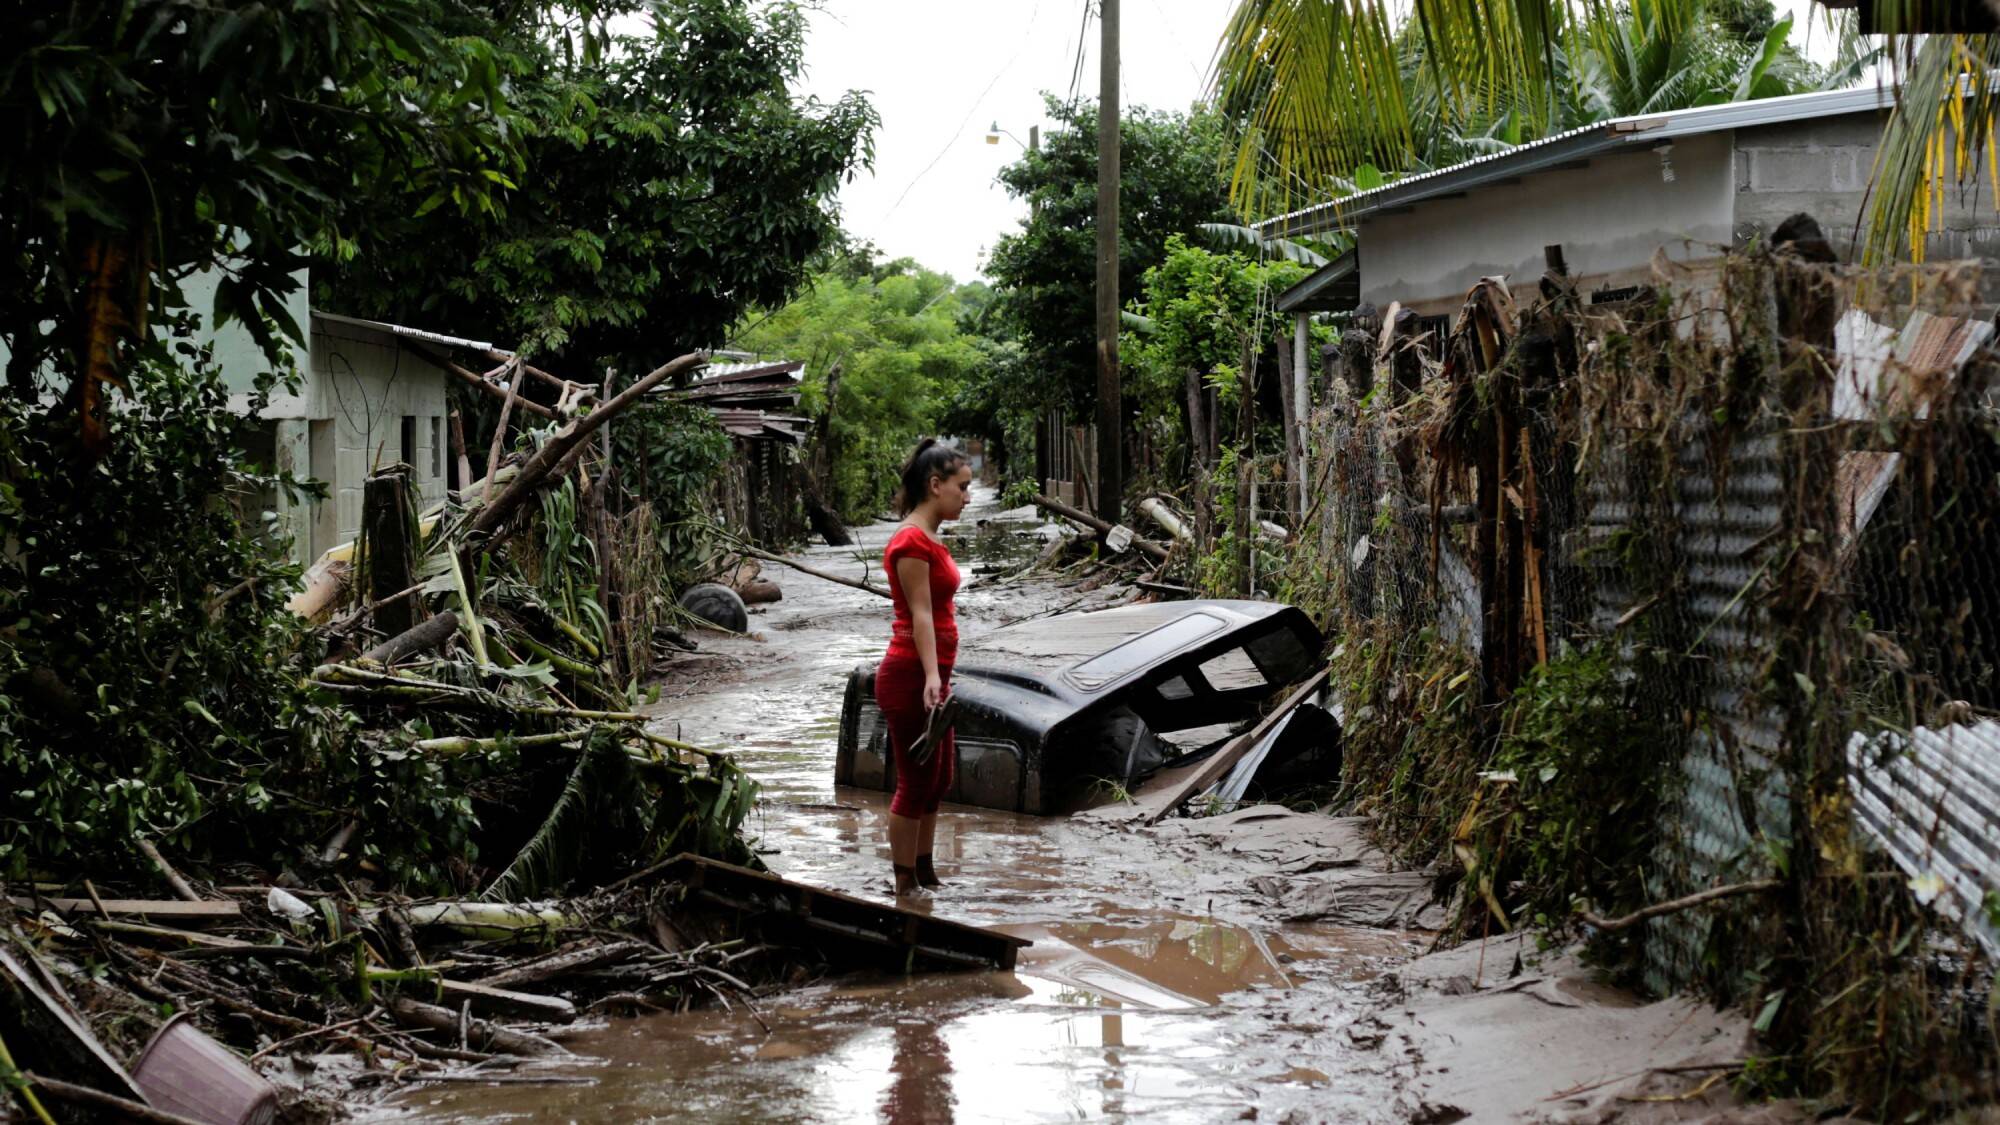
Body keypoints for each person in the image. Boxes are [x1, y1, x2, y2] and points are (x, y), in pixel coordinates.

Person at [876, 438, 973, 896]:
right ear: (935, 485)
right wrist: (932, 678)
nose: (968, 497)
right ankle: (904, 884)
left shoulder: (930, 536)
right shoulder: (911, 541)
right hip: (912, 675)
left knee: (939, 778)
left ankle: (925, 871)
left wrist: (939, 675)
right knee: (915, 782)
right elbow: (919, 615)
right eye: (962, 487)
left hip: (933, 674)